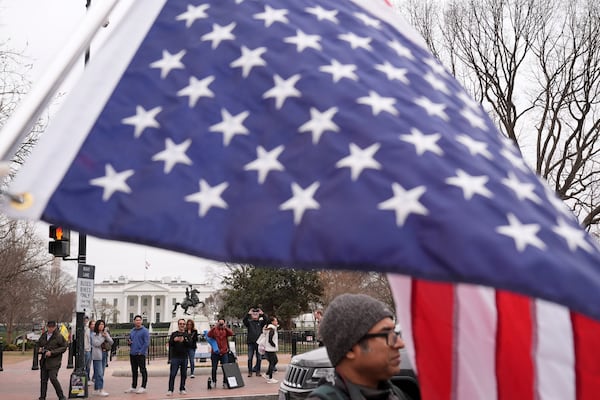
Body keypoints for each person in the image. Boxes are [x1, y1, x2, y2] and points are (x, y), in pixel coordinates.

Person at [306, 294, 412, 400]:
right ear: (350, 349)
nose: (400, 344)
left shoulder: (396, 394)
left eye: (395, 333)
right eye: (387, 334)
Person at [37, 320, 68, 400]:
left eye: (52, 327)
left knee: (53, 378)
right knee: (43, 380)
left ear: (55, 327)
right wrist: (39, 349)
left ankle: (61, 396)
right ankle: (42, 397)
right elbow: (38, 344)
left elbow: (64, 347)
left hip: (54, 361)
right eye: (49, 327)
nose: (50, 329)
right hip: (44, 361)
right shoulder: (44, 335)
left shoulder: (58, 336)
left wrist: (52, 352)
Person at [125, 315, 150, 394]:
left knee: (143, 370)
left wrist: (141, 352)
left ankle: (143, 386)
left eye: (139, 320)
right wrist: (129, 342)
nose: (138, 321)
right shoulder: (132, 330)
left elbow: (146, 343)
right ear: (134, 321)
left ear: (141, 321)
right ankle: (133, 386)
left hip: (140, 354)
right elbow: (130, 341)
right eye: (136, 320)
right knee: (134, 371)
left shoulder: (145, 331)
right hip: (132, 353)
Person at [207, 318, 234, 388]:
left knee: (225, 368)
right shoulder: (215, 329)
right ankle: (214, 381)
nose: (221, 325)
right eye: (220, 323)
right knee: (214, 368)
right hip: (215, 352)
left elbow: (231, 333)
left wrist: (225, 327)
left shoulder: (225, 330)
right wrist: (215, 327)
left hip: (224, 352)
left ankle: (225, 382)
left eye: (222, 323)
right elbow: (209, 335)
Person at [167, 319, 190, 396]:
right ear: (178, 325)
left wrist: (185, 340)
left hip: (184, 357)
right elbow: (170, 344)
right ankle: (170, 389)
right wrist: (174, 340)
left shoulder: (187, 335)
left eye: (183, 324)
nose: (182, 325)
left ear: (185, 325)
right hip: (175, 357)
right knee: (173, 374)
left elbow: (190, 345)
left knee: (184, 374)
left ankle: (182, 388)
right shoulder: (174, 334)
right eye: (180, 324)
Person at [243, 306, 267, 377]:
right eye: (254, 313)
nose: (255, 314)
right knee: (250, 358)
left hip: (259, 343)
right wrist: (248, 314)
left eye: (256, 313)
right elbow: (244, 320)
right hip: (251, 343)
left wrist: (262, 314)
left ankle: (258, 371)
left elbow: (266, 320)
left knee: (259, 358)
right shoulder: (249, 323)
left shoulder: (260, 322)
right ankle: (250, 371)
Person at [91, 319, 113, 397]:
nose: (102, 326)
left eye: (103, 325)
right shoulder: (93, 334)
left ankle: (96, 389)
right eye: (100, 324)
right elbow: (96, 343)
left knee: (101, 373)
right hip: (97, 355)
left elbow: (111, 341)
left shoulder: (105, 333)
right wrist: (103, 338)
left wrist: (106, 336)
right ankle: (100, 389)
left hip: (104, 354)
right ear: (97, 326)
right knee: (99, 373)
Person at [261, 316, 279, 384]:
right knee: (272, 362)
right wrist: (273, 344)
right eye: (275, 321)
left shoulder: (269, 328)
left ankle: (267, 374)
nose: (277, 322)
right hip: (270, 348)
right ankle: (270, 378)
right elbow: (270, 338)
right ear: (272, 322)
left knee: (275, 361)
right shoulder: (272, 329)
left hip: (269, 348)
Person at [83, 317, 93, 386]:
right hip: (83, 350)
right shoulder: (79, 329)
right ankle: (83, 378)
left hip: (88, 349)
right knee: (83, 365)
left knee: (88, 365)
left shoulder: (88, 330)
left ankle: (88, 378)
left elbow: (90, 339)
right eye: (84, 320)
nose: (85, 322)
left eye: (86, 321)